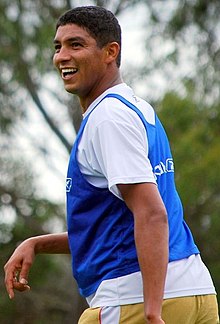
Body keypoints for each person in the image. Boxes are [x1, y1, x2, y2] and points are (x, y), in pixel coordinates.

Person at [4, 6, 219, 324]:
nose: (62, 56)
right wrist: (37, 243)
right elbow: (115, 226)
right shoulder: (134, 108)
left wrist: (152, 309)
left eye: (75, 45)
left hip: (132, 298)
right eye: (58, 46)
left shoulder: (107, 118)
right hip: (195, 293)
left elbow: (152, 213)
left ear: (110, 52)